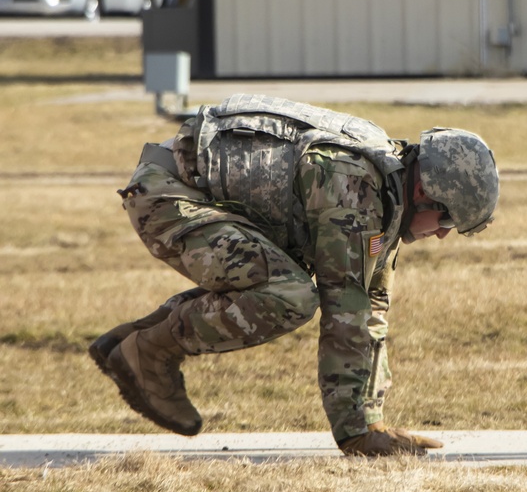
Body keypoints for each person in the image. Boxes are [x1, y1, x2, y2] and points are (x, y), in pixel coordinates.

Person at [90, 94, 500, 457]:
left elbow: (371, 307)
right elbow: (346, 309)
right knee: (291, 295)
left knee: (282, 282)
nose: (443, 233)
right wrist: (356, 435)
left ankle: (130, 343)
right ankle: (150, 352)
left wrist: (373, 424)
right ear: (424, 191)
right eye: (446, 218)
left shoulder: (385, 195)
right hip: (168, 196)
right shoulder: (355, 192)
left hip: (183, 186)